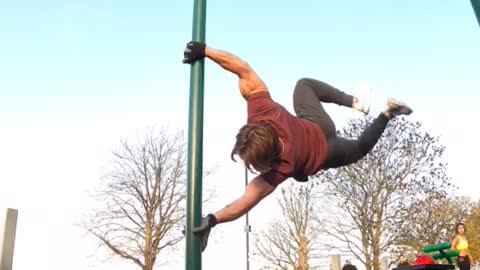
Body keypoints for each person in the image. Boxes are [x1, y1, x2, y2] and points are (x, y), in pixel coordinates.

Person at [182, 41, 413, 251]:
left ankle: (386, 113)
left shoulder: (278, 170)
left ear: (266, 161)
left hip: (328, 154)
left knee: (361, 148)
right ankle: (356, 102)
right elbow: (242, 68)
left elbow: (243, 202)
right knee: (303, 85)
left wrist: (213, 219)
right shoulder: (262, 111)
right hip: (319, 124)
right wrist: (205, 51)